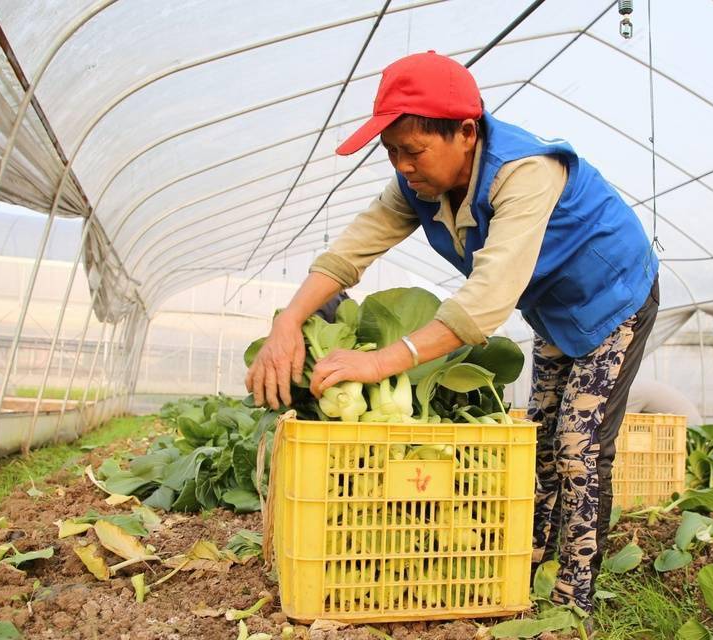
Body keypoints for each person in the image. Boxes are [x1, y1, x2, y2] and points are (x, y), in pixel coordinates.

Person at [245, 51, 659, 612]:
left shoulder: (525, 171)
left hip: (614, 299)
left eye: (412, 151)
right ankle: (527, 561)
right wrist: (289, 322)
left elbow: (485, 303)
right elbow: (352, 249)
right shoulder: (417, 184)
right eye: (391, 153)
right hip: (555, 310)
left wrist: (380, 361)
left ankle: (574, 597)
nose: (403, 166)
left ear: (466, 133)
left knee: (578, 444)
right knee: (538, 437)